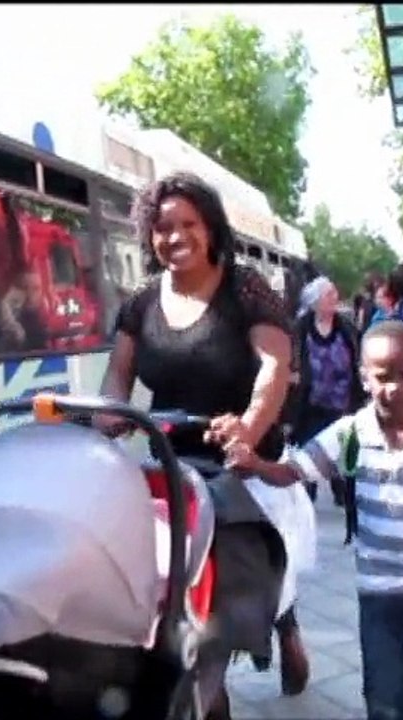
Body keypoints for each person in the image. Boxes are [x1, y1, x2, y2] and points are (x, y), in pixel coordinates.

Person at [95, 171, 302, 719]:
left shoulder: (245, 287)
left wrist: (248, 429)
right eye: (163, 227)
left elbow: (275, 367)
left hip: (245, 459)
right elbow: (118, 375)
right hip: (173, 457)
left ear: (210, 230)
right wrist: (107, 417)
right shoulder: (140, 301)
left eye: (189, 224)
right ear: (149, 235)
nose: (176, 236)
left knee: (244, 559)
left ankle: (284, 628)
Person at [224, 321, 403, 720]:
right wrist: (255, 464)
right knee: (386, 698)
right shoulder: (350, 434)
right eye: (382, 377)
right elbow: (293, 470)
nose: (394, 387)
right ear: (363, 378)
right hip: (380, 589)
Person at [290, 276, 363, 506]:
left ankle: (343, 493)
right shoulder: (300, 328)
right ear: (315, 301)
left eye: (334, 293)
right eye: (329, 294)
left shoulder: (346, 326)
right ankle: (305, 496)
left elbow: (358, 352)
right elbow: (290, 357)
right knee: (308, 450)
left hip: (343, 401)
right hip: (310, 401)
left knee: (343, 449)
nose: (335, 298)